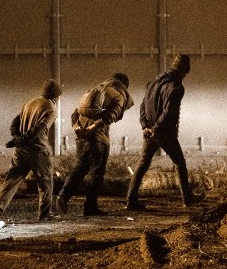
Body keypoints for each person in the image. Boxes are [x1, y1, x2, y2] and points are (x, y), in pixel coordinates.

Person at [126, 54, 204, 210]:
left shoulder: (153, 83)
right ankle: (187, 199)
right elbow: (169, 113)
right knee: (179, 163)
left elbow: (143, 107)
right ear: (184, 70)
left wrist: (145, 127)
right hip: (163, 132)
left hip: (149, 131)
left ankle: (131, 201)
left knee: (142, 164)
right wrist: (155, 129)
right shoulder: (176, 87)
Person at [56, 73, 134, 216]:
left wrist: (78, 129)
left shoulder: (96, 90)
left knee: (80, 169)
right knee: (97, 174)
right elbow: (109, 118)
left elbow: (75, 113)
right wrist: (91, 130)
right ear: (124, 86)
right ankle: (90, 207)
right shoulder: (119, 96)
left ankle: (63, 196)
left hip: (82, 138)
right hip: (98, 140)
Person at [0, 79, 63, 224]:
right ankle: (44, 215)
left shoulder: (30, 102)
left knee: (12, 179)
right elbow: (39, 129)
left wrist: (17, 138)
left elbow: (15, 122)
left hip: (20, 150)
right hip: (38, 151)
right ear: (56, 96)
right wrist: (20, 140)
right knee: (45, 182)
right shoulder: (51, 109)